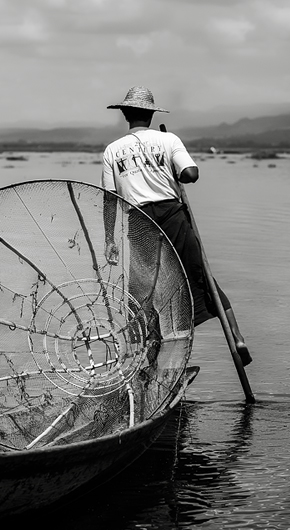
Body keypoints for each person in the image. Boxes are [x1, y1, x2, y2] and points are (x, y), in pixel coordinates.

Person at [100, 85, 251, 366]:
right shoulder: (168, 141)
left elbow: (110, 200)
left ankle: (149, 358)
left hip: (140, 222)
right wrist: (171, 165)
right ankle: (237, 337)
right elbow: (190, 174)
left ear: (125, 115)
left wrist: (109, 239)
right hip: (172, 216)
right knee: (202, 277)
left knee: (143, 291)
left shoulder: (112, 150)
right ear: (150, 113)